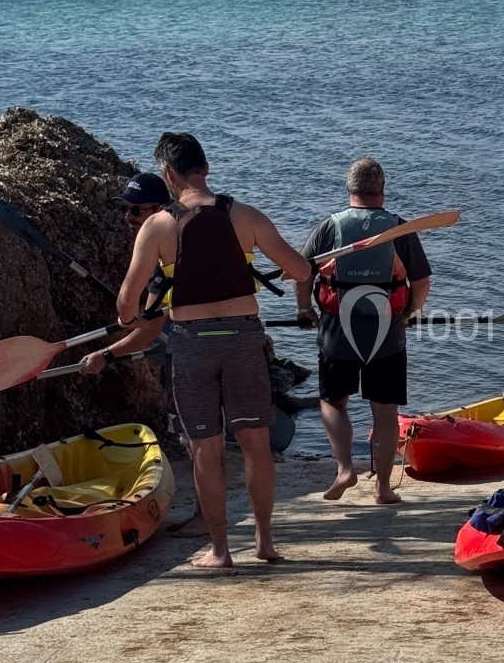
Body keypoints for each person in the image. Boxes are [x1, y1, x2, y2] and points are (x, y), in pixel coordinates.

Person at [80, 170, 314, 539]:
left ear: (167, 187)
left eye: (134, 210)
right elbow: (301, 269)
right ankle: (262, 539)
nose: (129, 218)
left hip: (192, 346)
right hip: (241, 338)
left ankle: (215, 538)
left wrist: (110, 349)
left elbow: (140, 322)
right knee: (251, 443)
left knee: (201, 446)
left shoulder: (159, 234)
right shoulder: (238, 216)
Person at [294, 157, 432, 505]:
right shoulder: (399, 229)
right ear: (382, 192)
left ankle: (344, 468)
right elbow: (421, 281)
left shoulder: (329, 226)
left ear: (349, 190)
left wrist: (304, 308)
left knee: (332, 401)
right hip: (387, 335)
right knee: (384, 410)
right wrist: (413, 311)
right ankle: (383, 488)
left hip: (337, 333)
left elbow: (302, 272)